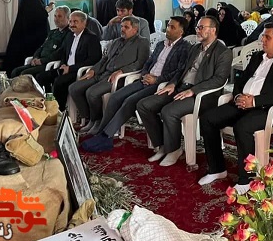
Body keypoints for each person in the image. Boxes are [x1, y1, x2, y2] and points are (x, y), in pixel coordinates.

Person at [198, 22, 273, 192]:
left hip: (266, 108)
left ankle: (247, 178)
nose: (263, 40)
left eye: (267, 37)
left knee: (242, 127)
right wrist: (238, 96)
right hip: (242, 102)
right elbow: (240, 80)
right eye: (263, 36)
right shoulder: (257, 56)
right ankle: (217, 169)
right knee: (208, 118)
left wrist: (255, 101)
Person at [81, 16, 192, 152]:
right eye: (168, 25)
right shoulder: (160, 44)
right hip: (145, 79)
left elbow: (179, 72)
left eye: (172, 27)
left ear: (181, 31)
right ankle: (103, 133)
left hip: (159, 84)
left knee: (130, 101)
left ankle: (105, 136)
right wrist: (145, 74)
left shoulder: (185, 48)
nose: (168, 29)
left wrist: (156, 79)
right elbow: (148, 62)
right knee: (115, 97)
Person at [136, 16, 232, 166]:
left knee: (169, 111)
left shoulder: (223, 52)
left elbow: (219, 79)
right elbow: (182, 70)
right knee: (144, 105)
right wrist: (172, 83)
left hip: (202, 95)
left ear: (213, 30)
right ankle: (162, 145)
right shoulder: (195, 48)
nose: (197, 30)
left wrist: (193, 90)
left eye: (201, 27)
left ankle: (174, 149)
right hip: (181, 88)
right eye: (197, 27)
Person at [69, 16, 150, 133]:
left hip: (118, 78)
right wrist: (93, 70)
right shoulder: (117, 41)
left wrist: (122, 71)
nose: (122, 29)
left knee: (92, 93)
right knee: (74, 88)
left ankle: (97, 121)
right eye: (121, 26)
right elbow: (105, 59)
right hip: (103, 73)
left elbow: (141, 63)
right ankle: (88, 118)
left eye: (126, 27)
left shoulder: (142, 42)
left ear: (135, 29)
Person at [36, 11, 102, 109]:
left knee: (59, 82)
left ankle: (59, 109)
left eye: (75, 22)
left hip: (78, 71)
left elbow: (93, 60)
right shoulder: (70, 35)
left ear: (84, 23)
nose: (72, 24)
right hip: (66, 68)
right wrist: (63, 64)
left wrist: (70, 69)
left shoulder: (91, 38)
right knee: (41, 77)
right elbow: (63, 53)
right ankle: (48, 103)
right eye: (70, 21)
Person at [2, 0, 52, 75]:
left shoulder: (37, 3)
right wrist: (46, 11)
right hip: (30, 42)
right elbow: (36, 19)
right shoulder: (29, 5)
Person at [11, 6, 71, 77]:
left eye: (59, 16)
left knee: (24, 74)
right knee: (15, 71)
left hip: (48, 64)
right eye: (55, 16)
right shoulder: (52, 32)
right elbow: (42, 47)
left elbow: (59, 52)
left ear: (68, 18)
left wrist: (42, 61)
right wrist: (35, 57)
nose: (56, 19)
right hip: (39, 61)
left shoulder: (69, 34)